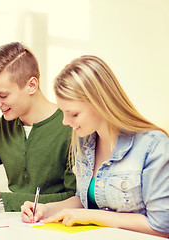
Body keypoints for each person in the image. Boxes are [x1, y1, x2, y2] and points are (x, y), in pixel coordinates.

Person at [21, 55, 169, 237]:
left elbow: (161, 226)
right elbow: (87, 201)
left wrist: (92, 216)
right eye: (64, 113)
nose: (65, 122)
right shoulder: (84, 141)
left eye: (73, 114)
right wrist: (47, 209)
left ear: (101, 103)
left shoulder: (153, 145)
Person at [0, 42, 76, 212]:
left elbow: (74, 198)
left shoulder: (71, 127)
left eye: (2, 95)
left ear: (31, 85)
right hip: (13, 225)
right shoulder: (2, 128)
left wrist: (2, 200)